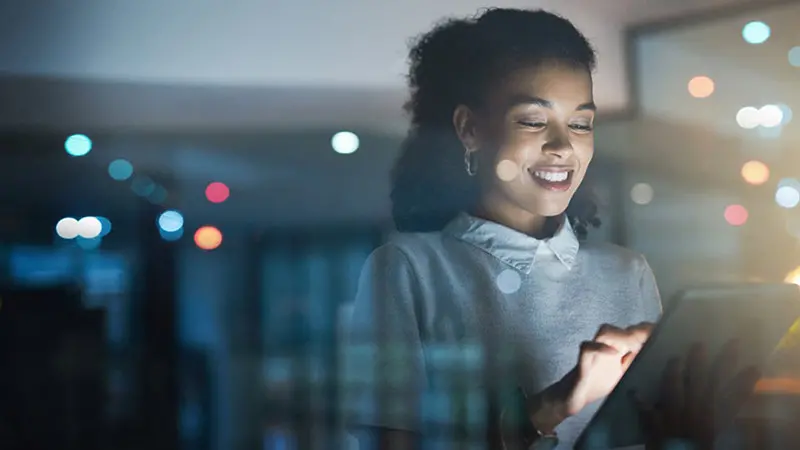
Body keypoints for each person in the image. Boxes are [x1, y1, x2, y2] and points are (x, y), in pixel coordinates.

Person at [342, 8, 749, 450]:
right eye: (533, 121)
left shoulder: (627, 272)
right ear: (470, 128)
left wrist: (692, 424)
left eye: (580, 124)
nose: (562, 146)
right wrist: (556, 404)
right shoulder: (406, 270)